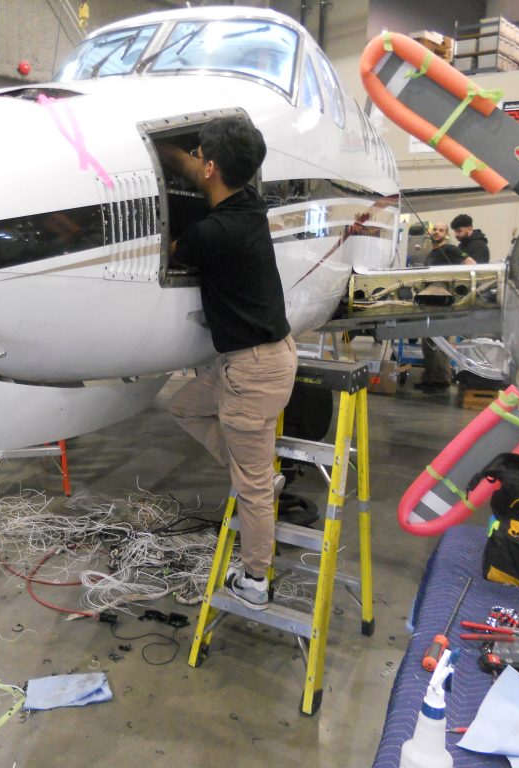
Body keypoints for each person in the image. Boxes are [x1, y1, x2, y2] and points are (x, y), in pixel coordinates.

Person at [158, 117, 297, 611]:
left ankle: (256, 580)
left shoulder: (213, 234)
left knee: (254, 490)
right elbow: (195, 170)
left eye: (198, 156)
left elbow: (171, 251)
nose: (194, 162)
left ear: (211, 166)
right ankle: (256, 475)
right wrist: (176, 155)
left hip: (253, 371)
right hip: (261, 360)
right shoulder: (248, 207)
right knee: (186, 406)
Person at [417, 223, 475, 392]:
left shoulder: (450, 250)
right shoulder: (431, 253)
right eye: (434, 229)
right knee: (428, 344)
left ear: (446, 234)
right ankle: (429, 379)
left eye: (441, 230)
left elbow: (472, 264)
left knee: (441, 344)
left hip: (444, 303)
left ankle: (441, 381)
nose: (436, 232)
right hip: (429, 302)